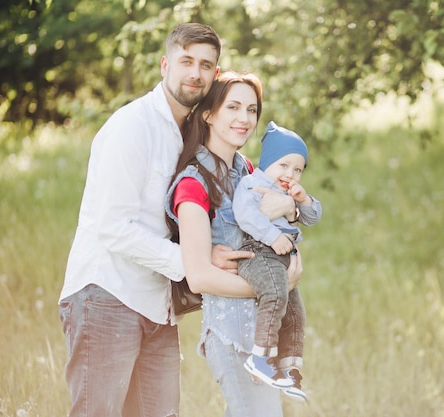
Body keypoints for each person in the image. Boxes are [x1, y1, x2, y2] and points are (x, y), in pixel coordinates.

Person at [58, 23, 243, 417]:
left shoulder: (194, 134)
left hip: (158, 306)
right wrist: (195, 261)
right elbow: (113, 228)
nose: (196, 73)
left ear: (214, 74)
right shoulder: (132, 126)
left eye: (206, 65)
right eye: (186, 61)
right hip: (106, 293)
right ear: (165, 65)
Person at [165, 71, 303, 417]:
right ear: (209, 113)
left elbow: (281, 220)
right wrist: (278, 286)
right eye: (234, 107)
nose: (245, 119)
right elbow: (199, 278)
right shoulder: (194, 183)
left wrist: (293, 207)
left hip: (261, 330)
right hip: (231, 332)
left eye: (252, 110)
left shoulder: (248, 171)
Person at [233, 121, 322, 403]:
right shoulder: (252, 183)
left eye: (297, 169)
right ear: (268, 161)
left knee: (295, 313)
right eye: (284, 165)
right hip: (258, 250)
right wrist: (272, 237)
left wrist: (303, 199)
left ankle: (290, 368)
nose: (290, 174)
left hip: (281, 257)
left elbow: (313, 217)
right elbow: (245, 216)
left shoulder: (289, 192)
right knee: (274, 294)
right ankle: (261, 357)